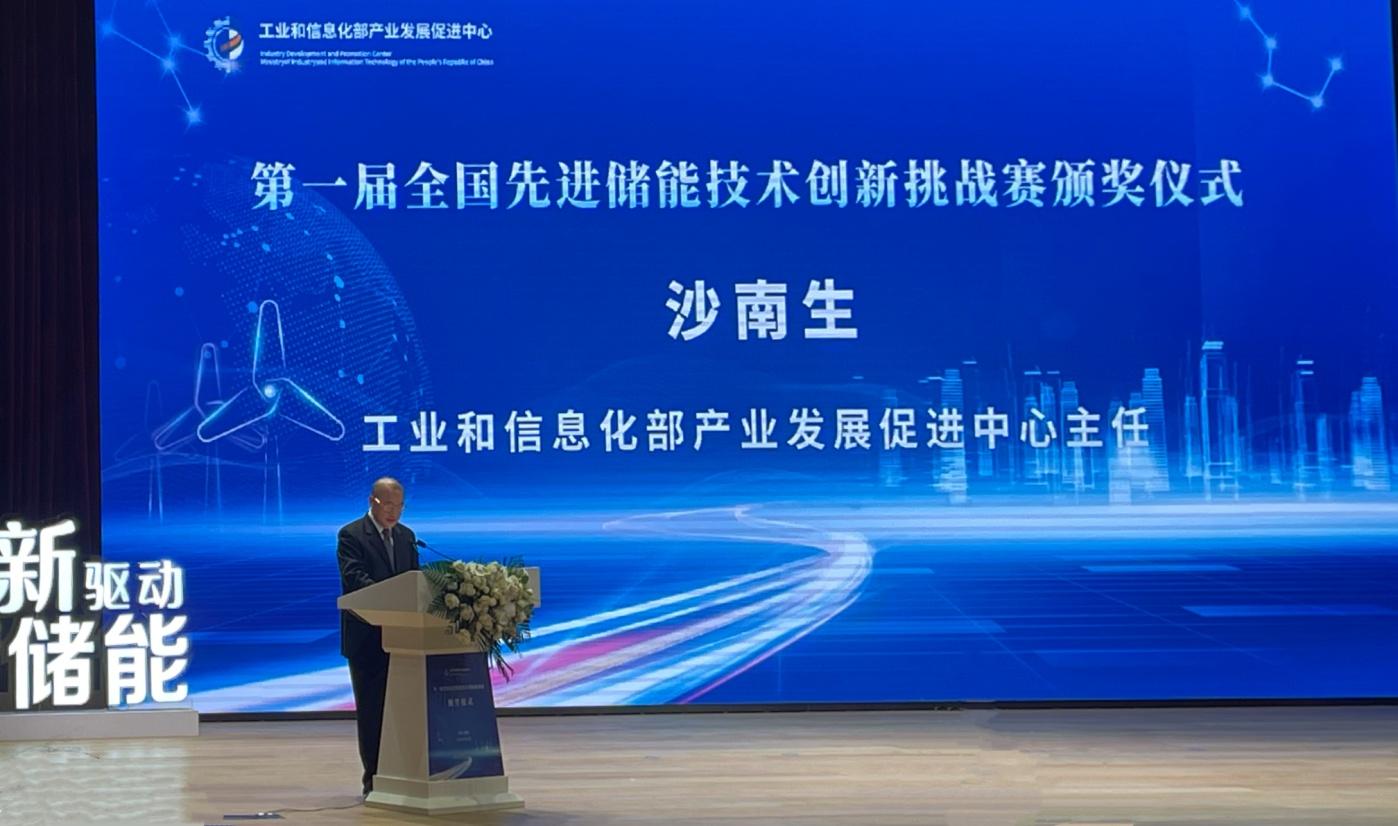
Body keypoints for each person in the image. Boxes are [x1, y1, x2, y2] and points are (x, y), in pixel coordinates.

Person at [337, 476, 419, 796]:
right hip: (367, 638)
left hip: (404, 639)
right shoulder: (351, 535)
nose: (394, 512)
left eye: (399, 506)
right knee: (373, 711)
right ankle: (373, 779)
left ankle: (404, 775)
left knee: (404, 712)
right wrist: (392, 598)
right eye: (388, 505)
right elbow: (354, 578)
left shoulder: (407, 536)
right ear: (373, 502)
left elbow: (415, 582)